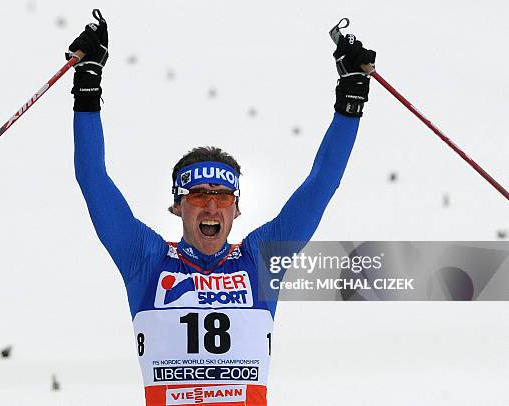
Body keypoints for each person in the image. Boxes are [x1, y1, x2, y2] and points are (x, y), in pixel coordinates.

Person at [68, 11, 375, 406]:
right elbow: (92, 178)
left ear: (237, 209)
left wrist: (350, 100)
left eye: (223, 196)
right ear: (178, 206)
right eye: (197, 195)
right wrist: (87, 87)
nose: (211, 205)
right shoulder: (145, 258)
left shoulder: (261, 259)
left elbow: (322, 183)